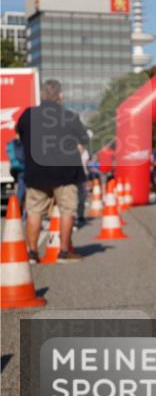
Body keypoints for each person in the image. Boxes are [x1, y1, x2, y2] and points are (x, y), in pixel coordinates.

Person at [15, 79, 88, 262]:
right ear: (60, 96)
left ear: (42, 95)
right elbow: (83, 142)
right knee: (67, 210)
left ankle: (32, 253)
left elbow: (20, 136)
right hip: (65, 172)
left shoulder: (27, 115)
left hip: (36, 172)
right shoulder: (69, 116)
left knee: (34, 211)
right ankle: (64, 251)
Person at [7, 135, 26, 210]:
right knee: (23, 190)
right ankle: (19, 208)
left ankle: (16, 207)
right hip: (23, 169)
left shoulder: (13, 142)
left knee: (17, 186)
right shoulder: (22, 142)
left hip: (15, 169)